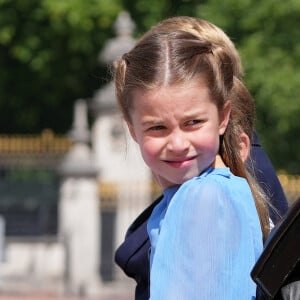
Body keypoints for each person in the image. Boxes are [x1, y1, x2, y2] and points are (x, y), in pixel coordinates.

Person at [114, 16, 288, 300]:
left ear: (223, 117)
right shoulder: (195, 193)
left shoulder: (205, 197)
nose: (178, 143)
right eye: (158, 127)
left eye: (193, 122)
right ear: (132, 130)